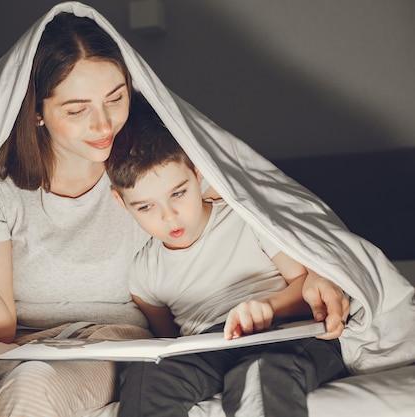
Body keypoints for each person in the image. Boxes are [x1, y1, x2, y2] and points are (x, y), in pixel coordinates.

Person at [0, 7, 350, 417]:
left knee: (32, 390)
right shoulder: (0, 186)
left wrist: (318, 275)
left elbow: (264, 211)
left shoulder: (149, 173)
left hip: (109, 338)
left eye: (115, 98)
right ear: (36, 112)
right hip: (9, 340)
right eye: (77, 109)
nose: (104, 124)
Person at [105, 95, 350, 417]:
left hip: (285, 333)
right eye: (146, 206)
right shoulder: (144, 271)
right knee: (146, 376)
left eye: (178, 193)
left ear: (198, 174)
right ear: (122, 202)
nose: (169, 217)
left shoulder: (246, 219)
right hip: (209, 347)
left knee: (263, 373)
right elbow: (168, 344)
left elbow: (308, 287)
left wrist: (267, 307)